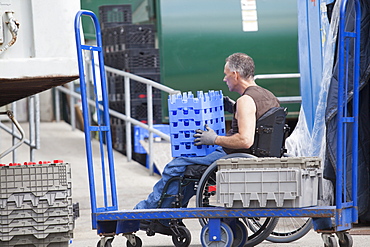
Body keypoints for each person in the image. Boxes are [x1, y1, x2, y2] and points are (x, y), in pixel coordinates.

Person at [135, 52, 280, 230]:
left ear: (235, 74)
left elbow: (245, 140)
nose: (224, 78)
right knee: (188, 169)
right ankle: (168, 216)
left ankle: (147, 212)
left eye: (226, 74)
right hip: (255, 155)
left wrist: (214, 139)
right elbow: (256, 123)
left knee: (176, 165)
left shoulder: (246, 101)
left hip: (236, 156)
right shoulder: (269, 96)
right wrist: (233, 107)